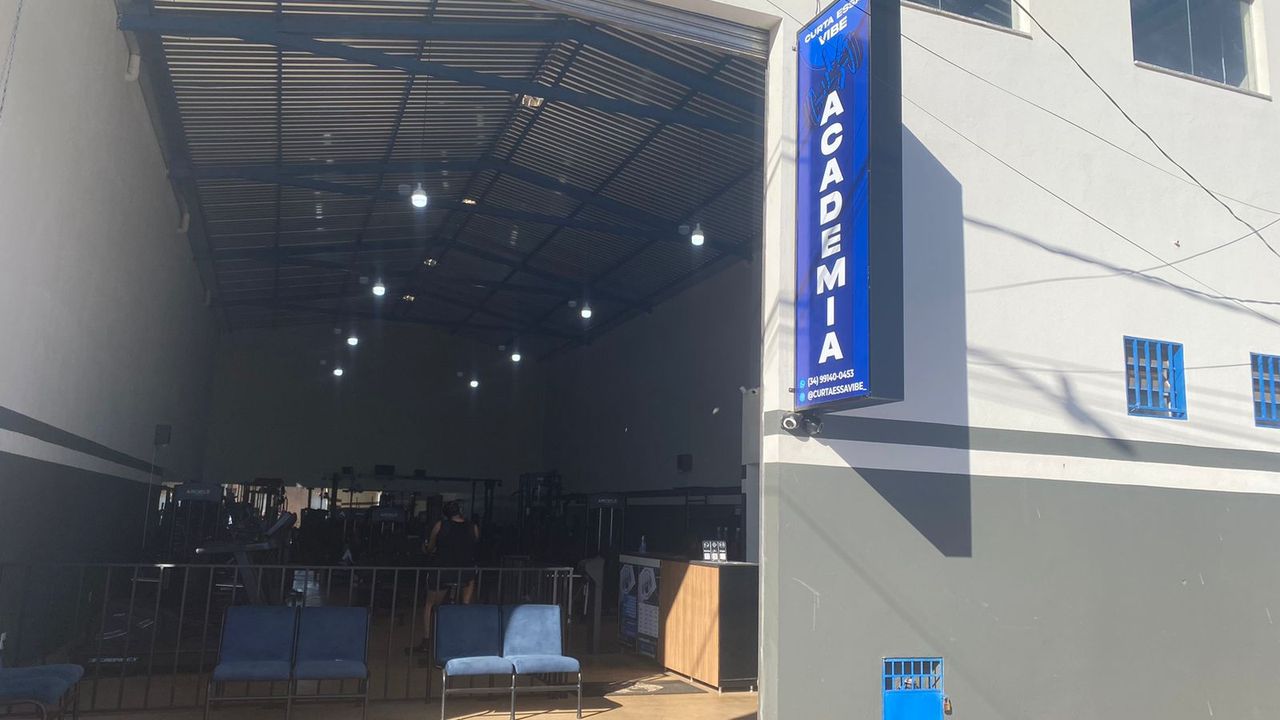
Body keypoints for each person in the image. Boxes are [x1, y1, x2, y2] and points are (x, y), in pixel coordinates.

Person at [414, 501, 479, 654]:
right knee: (466, 603)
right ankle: (463, 637)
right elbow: (474, 545)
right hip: (466, 572)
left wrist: (426, 548)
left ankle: (427, 640)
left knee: (430, 605)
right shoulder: (473, 527)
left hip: (443, 571)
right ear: (461, 511)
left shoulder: (441, 525)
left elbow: (430, 547)